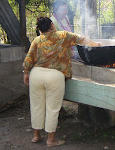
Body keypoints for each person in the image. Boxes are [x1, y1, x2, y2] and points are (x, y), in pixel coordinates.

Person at [23, 17, 100, 147]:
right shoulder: (63, 35)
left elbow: (28, 59)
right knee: (53, 108)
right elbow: (82, 39)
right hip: (54, 76)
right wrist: (96, 44)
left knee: (36, 106)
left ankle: (36, 136)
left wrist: (26, 73)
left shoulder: (37, 40)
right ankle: (51, 140)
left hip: (36, 74)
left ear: (40, 29)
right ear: (52, 25)